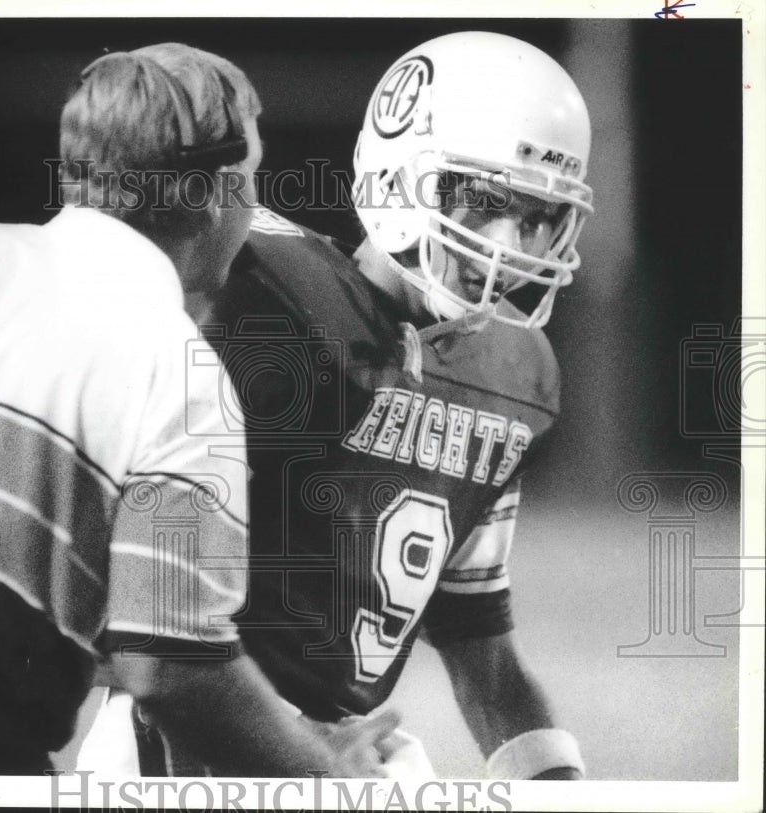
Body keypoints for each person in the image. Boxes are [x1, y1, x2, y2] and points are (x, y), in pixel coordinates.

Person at [0, 43, 398, 777]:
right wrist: (323, 770)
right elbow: (167, 661)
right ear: (214, 192)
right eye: (253, 180)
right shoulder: (174, 368)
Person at [135, 31, 595, 780]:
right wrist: (287, 749)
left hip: (357, 745)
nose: (509, 242)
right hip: (193, 739)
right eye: (481, 200)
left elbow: (479, 640)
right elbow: (139, 610)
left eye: (538, 214)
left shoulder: (515, 374)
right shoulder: (255, 303)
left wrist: (557, 781)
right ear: (395, 180)